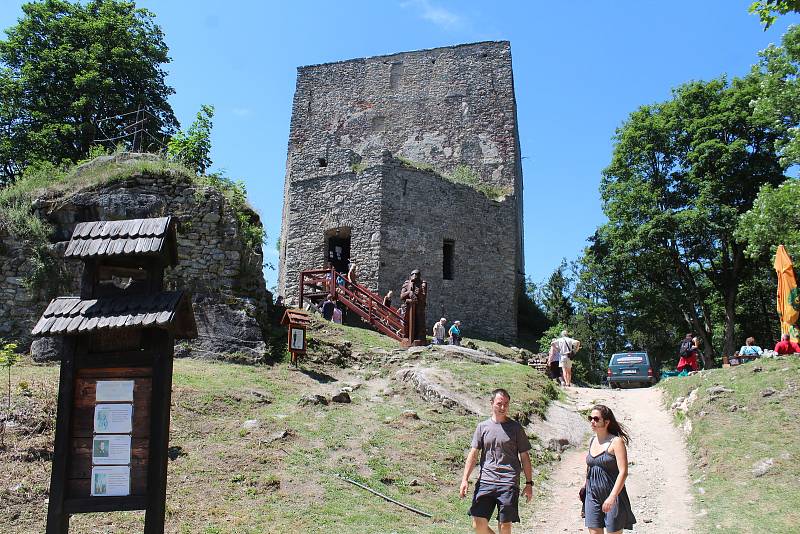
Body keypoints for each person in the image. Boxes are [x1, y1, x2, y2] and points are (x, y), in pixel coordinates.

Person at [459, 389, 533, 534]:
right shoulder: (482, 427)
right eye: (499, 404)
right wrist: (464, 480)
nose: (503, 407)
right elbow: (473, 454)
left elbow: (525, 457)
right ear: (492, 403)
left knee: (504, 527)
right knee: (478, 524)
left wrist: (529, 483)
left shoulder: (516, 428)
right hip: (486, 481)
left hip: (508, 482)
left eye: (506, 404)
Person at [583, 404, 636, 533]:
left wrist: (612, 497)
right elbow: (590, 467)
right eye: (591, 418)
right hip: (592, 494)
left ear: (606, 422)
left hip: (613, 495)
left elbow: (623, 472)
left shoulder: (616, 442)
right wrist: (584, 487)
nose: (592, 421)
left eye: (596, 419)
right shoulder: (592, 441)